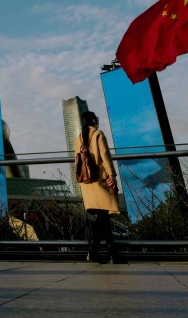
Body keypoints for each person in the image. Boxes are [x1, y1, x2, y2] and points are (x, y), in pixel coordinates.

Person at [77, 111, 126, 264]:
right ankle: (110, 254)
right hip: (100, 180)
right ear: (93, 120)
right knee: (103, 217)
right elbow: (105, 155)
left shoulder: (79, 137)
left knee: (101, 218)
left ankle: (97, 252)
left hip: (86, 182)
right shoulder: (98, 134)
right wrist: (112, 174)